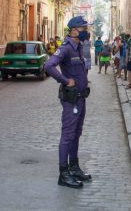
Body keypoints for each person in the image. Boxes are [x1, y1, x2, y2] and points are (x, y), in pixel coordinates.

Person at [44, 16, 92, 189]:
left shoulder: (79, 46)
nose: (86, 31)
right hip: (71, 99)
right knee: (67, 135)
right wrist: (65, 80)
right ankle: (63, 174)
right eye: (83, 28)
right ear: (73, 30)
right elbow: (49, 66)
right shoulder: (65, 48)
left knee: (77, 133)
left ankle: (74, 167)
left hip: (81, 97)